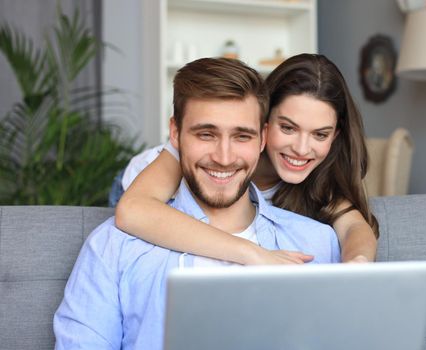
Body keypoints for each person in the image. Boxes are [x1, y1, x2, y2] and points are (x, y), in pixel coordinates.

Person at [53, 57, 340, 349]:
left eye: (242, 136)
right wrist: (253, 254)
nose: (224, 157)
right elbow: (132, 210)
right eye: (206, 134)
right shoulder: (112, 248)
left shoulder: (316, 242)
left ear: (263, 138)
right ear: (175, 133)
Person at [114, 53, 378, 264]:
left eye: (320, 134)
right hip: (135, 186)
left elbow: (355, 228)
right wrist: (252, 253)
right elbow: (133, 211)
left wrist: (358, 263)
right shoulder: (200, 155)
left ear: (335, 136)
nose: (301, 148)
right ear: (263, 122)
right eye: (287, 128)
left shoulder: (317, 180)